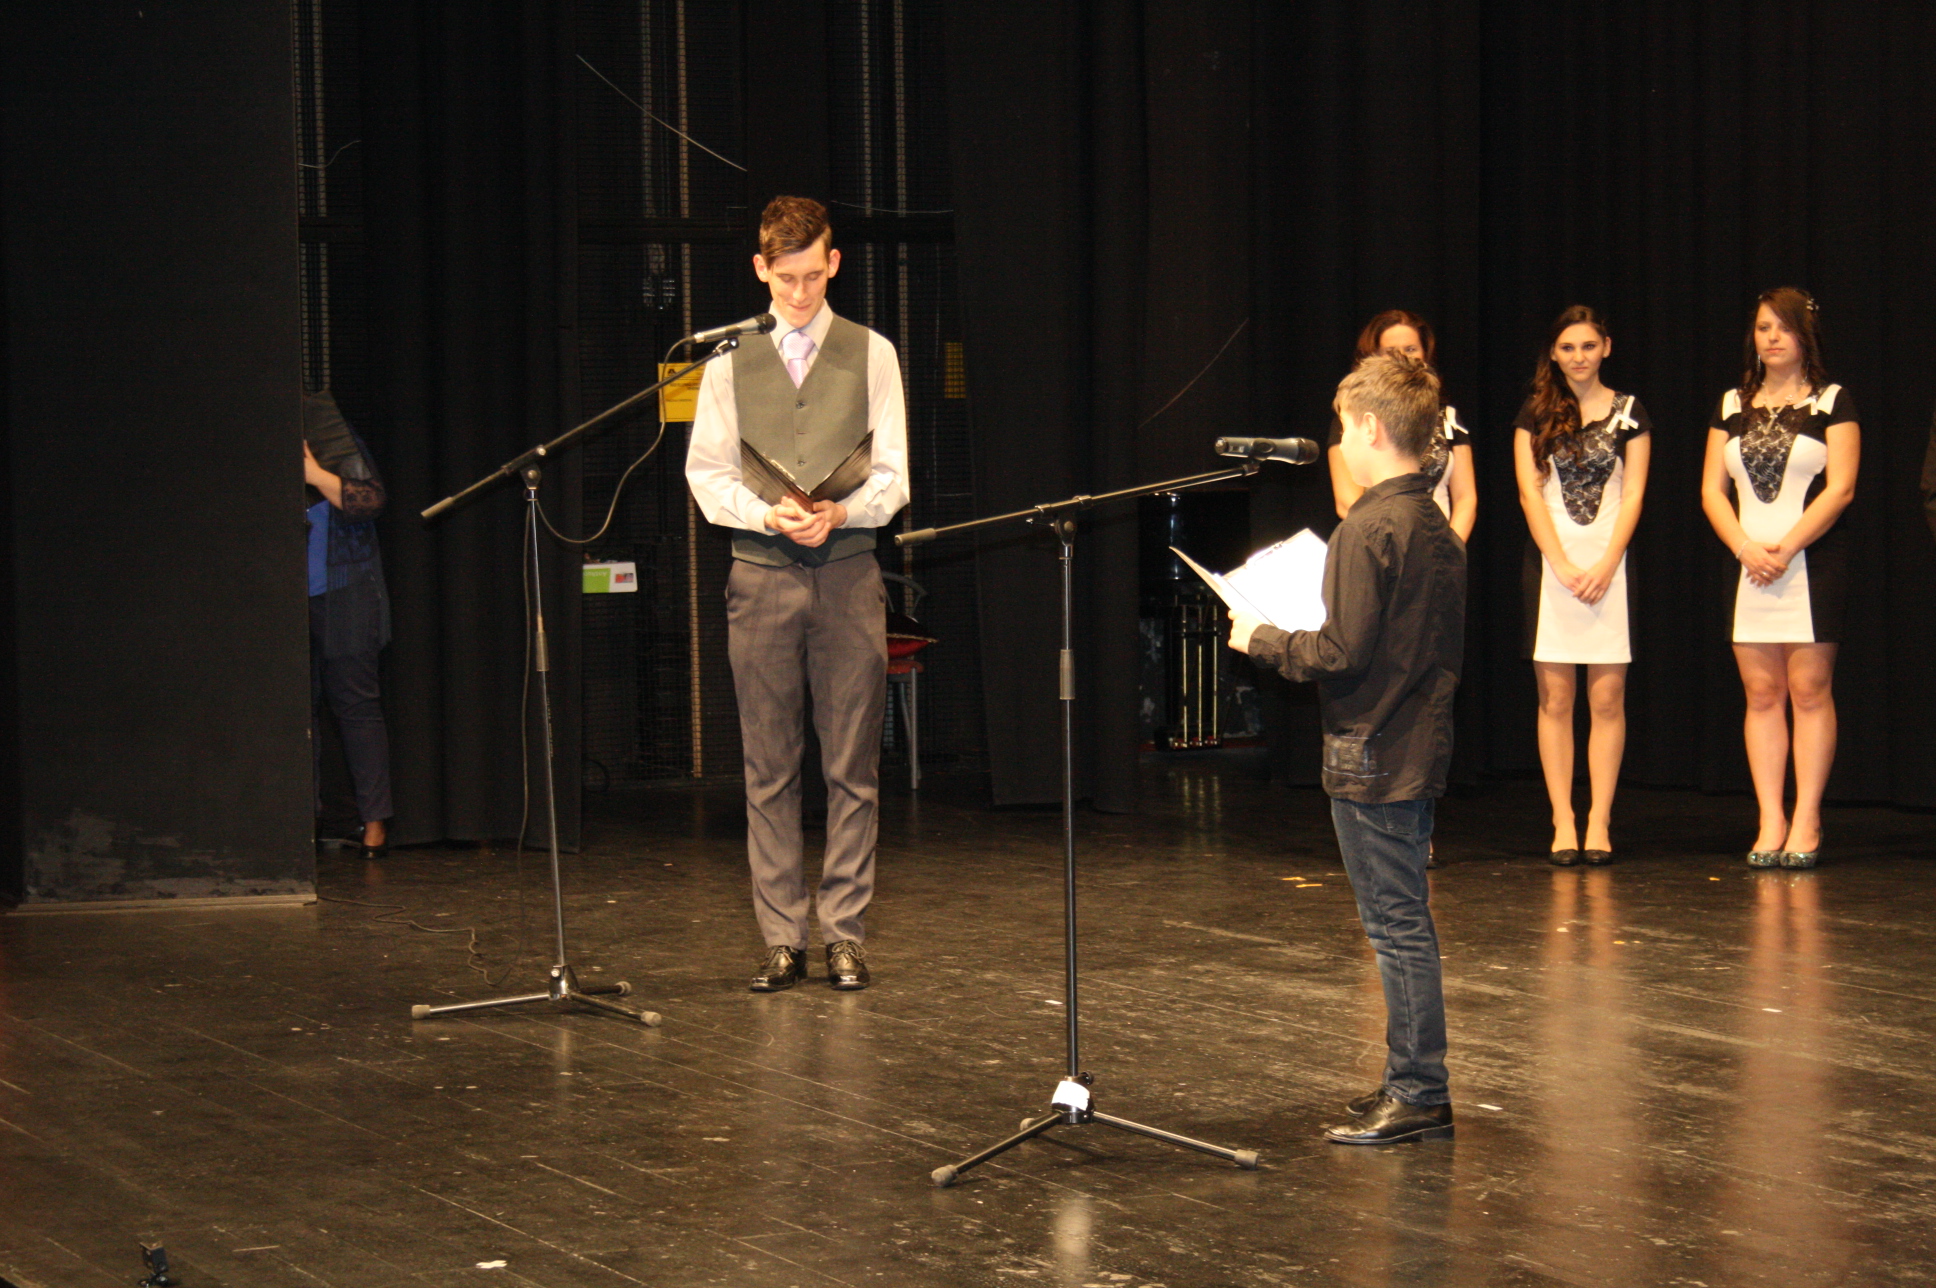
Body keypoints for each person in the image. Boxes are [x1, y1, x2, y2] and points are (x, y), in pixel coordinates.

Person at [1229, 352, 1465, 1145]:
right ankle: (1408, 1081)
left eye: (1342, 427)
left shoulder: (1368, 527)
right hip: (1415, 744)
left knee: (1396, 928)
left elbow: (1339, 652)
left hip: (1374, 752)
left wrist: (1262, 637)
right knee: (1401, 922)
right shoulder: (1435, 524)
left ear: (1368, 427)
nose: (1339, 441)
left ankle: (1420, 1090)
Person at [685, 195, 908, 991]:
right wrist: (765, 515)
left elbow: (893, 474)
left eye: (813, 275)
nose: (802, 292)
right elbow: (707, 474)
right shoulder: (728, 361)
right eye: (786, 279)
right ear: (761, 269)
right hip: (761, 577)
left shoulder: (872, 353)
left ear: (833, 263)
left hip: (848, 576)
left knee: (852, 768)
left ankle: (843, 932)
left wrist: (844, 512)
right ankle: (783, 936)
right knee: (769, 766)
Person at [1699, 288, 1859, 870]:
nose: (1771, 338)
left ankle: (1807, 816)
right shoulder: (1731, 403)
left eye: (1783, 328)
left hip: (1810, 563)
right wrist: (1746, 548)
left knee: (1810, 691)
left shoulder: (1832, 401)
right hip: (1748, 566)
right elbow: (1711, 490)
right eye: (1763, 327)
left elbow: (1841, 489)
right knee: (1762, 694)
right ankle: (1771, 817)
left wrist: (1786, 549)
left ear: (1804, 335)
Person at [1512, 307, 1651, 866]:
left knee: (1608, 699)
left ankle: (1599, 820)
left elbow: (1634, 493)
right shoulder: (1534, 413)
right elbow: (1529, 493)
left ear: (1606, 347)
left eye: (1589, 346)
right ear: (1553, 353)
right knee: (1556, 699)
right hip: (1552, 568)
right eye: (1568, 347)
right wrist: (1562, 563)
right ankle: (1563, 819)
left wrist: (1607, 562)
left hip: (1610, 568)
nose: (1579, 357)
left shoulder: (1630, 411)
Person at [302, 389, 393, 859]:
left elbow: (370, 499)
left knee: (356, 708)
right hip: (274, 597)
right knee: (294, 714)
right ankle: (303, 824)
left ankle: (374, 825)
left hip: (344, 591)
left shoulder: (321, 423)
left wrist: (315, 475)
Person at [1327, 310, 1476, 543]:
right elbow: (1347, 503)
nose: (1402, 358)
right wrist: (1398, 546)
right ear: (1372, 357)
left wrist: (1447, 549)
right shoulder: (1352, 418)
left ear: (1425, 354)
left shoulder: (1447, 416)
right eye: (1390, 352)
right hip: (1379, 546)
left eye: (1410, 349)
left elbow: (1466, 498)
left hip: (1441, 547)